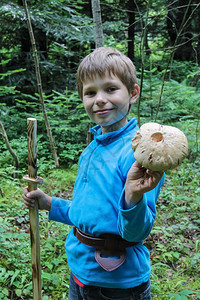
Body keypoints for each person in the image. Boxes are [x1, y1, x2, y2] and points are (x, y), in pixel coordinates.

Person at [22, 47, 165, 300]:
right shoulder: (93, 148)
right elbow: (89, 212)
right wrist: (49, 204)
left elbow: (137, 232)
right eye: (90, 92)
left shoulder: (140, 155)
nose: (99, 98)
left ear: (133, 93)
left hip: (116, 284)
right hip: (80, 272)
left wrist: (133, 196)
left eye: (110, 89)